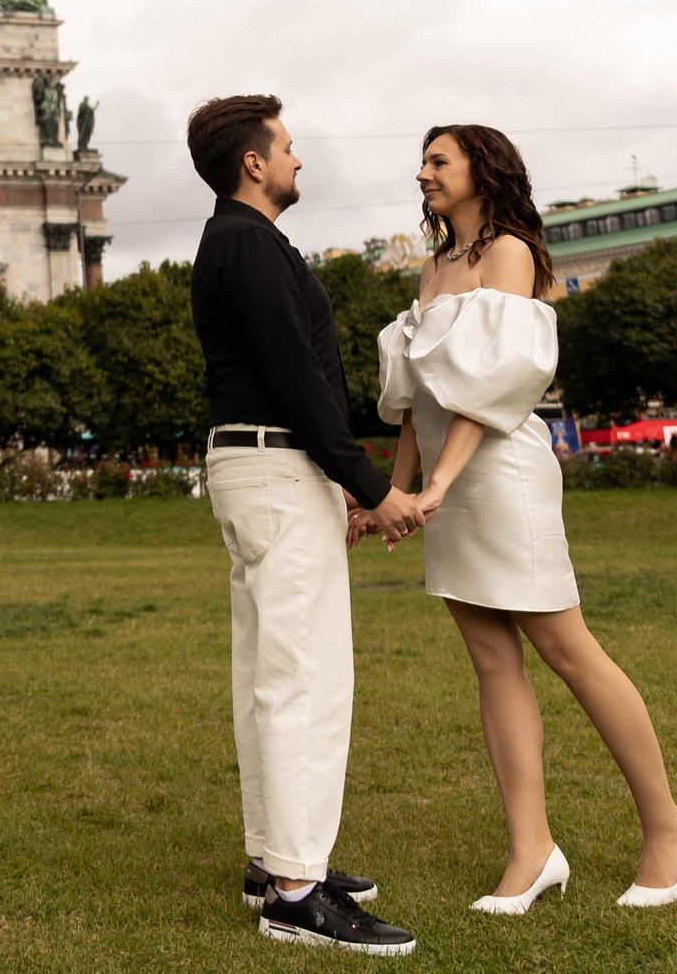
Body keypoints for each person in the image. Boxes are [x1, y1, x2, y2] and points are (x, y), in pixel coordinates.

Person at [379, 125, 677, 915]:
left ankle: (670, 829)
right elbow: (420, 404)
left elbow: (494, 387)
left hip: (503, 474)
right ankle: (532, 850)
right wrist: (387, 495)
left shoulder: (511, 251)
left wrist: (440, 487)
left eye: (438, 160)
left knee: (568, 647)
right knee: (492, 661)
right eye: (422, 160)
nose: (421, 172)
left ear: (481, 171)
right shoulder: (432, 266)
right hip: (450, 485)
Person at [186, 95, 421, 956]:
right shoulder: (246, 244)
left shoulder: (237, 241)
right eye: (286, 146)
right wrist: (367, 484)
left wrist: (345, 484)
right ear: (254, 161)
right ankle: (295, 889)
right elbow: (297, 376)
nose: (297, 158)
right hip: (276, 466)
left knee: (272, 669)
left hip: (264, 467)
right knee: (304, 677)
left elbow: (295, 374)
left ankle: (277, 861)